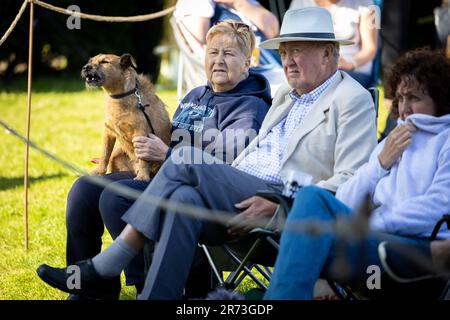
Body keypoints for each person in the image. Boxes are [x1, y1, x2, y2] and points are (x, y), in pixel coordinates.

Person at [36, 7, 377, 300]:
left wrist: (284, 206)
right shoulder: (288, 95)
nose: (287, 62)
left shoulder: (352, 100)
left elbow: (352, 182)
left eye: (297, 52)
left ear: (329, 53)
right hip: (235, 191)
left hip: (279, 204)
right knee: (180, 193)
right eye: (284, 53)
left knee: (182, 159)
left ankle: (109, 263)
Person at [60, 20, 272, 300]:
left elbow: (228, 164)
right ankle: (90, 289)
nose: (218, 61)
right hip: (161, 173)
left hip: (195, 192)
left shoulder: (249, 106)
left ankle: (146, 288)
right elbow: (164, 134)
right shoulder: (197, 94)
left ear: (247, 63)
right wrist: (125, 153)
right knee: (84, 190)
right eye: (212, 52)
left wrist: (167, 155)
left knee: (115, 197)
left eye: (229, 54)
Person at [264, 48, 450, 299]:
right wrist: (380, 164)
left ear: (439, 98)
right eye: (400, 98)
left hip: (413, 251)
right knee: (311, 198)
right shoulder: (391, 143)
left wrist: (372, 225)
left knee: (306, 240)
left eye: (414, 98)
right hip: (371, 241)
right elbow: (344, 201)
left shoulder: (446, 139)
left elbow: (440, 207)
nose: (404, 110)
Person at [174, 0, 286, 95]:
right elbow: (202, 44)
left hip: (272, 68)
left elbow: (272, 30)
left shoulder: (246, 2)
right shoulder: (197, 3)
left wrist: (237, 2)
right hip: (249, 76)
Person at [290, 0, 378, 88]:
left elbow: (370, 49)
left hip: (352, 70)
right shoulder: (300, 2)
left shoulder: (366, 3)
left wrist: (350, 63)